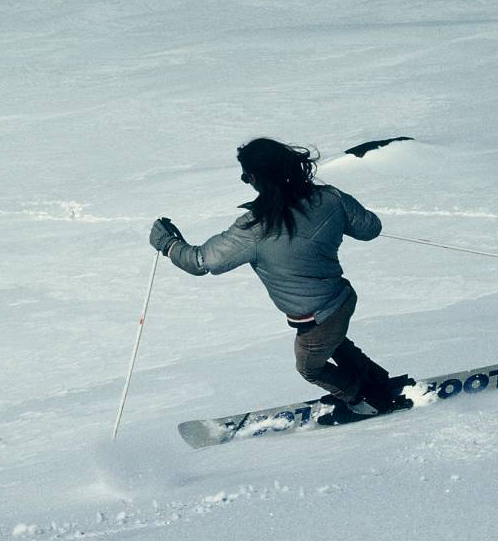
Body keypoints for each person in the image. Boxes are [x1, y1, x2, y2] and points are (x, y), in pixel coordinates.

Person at [149, 137, 410, 420]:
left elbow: (202, 261)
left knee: (310, 366)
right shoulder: (330, 197)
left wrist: (168, 244)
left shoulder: (254, 227)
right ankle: (378, 383)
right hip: (342, 299)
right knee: (334, 343)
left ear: (253, 178)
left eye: (245, 176)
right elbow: (370, 228)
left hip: (317, 318)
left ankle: (361, 400)